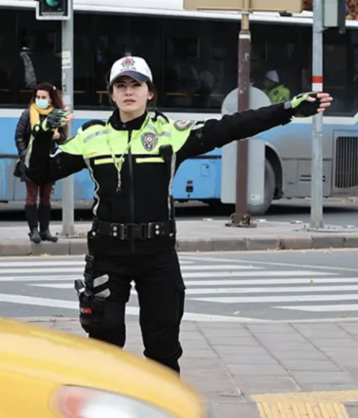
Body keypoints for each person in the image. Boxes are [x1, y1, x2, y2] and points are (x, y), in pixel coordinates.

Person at [23, 56, 332, 374]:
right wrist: (42, 134)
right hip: (107, 254)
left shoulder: (170, 134)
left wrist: (287, 110)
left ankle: (162, 404)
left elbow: (231, 127)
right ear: (111, 94)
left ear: (150, 92)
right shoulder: (92, 137)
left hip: (157, 255)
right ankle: (108, 405)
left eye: (136, 85)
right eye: (121, 85)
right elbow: (36, 172)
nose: (129, 91)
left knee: (163, 349)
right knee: (105, 344)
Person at [14, 83, 67, 243]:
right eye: (38, 97)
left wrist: (58, 137)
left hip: (48, 161)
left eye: (43, 97)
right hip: (31, 161)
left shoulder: (56, 115)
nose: (40, 100)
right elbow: (19, 136)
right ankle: (33, 231)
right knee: (31, 196)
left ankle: (45, 230)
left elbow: (64, 137)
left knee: (46, 197)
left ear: (51, 99)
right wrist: (24, 154)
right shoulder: (28, 114)